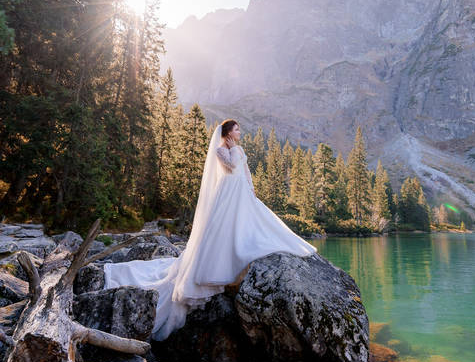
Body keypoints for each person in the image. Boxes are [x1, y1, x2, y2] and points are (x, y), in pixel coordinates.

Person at [103, 119, 316, 340]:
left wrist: (251, 188)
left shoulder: (238, 148)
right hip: (228, 191)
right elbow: (231, 167)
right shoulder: (221, 150)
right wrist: (234, 149)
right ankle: (217, 269)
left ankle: (245, 254)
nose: (240, 132)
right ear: (228, 132)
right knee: (224, 229)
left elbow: (245, 170)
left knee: (251, 224)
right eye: (236, 129)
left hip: (242, 190)